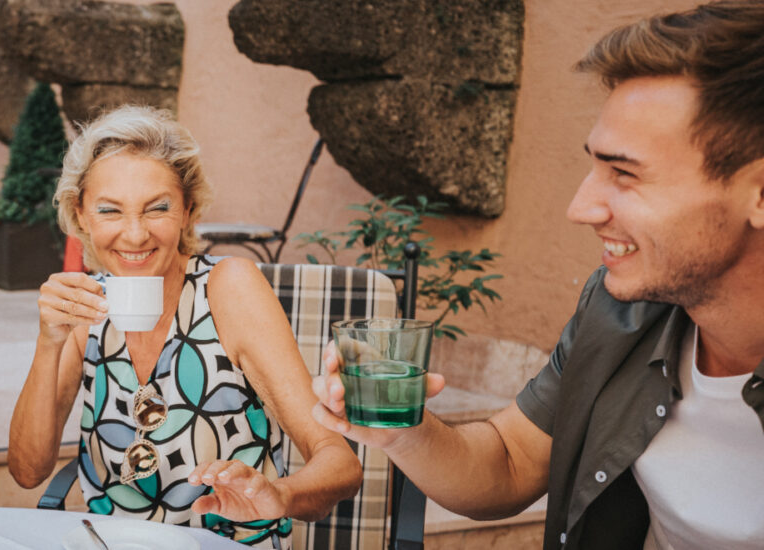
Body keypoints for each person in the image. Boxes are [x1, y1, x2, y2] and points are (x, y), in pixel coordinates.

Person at [309, 2, 764, 549]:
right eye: (594, 165)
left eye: (625, 173)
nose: (581, 207)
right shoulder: (619, 311)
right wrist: (404, 431)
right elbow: (509, 460)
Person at [6, 106, 362, 547]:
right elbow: (27, 472)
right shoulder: (87, 306)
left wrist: (278, 494)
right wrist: (48, 342)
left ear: (187, 210)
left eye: (157, 208)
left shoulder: (228, 287)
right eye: (110, 211)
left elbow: (340, 463)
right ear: (81, 217)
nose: (134, 235)